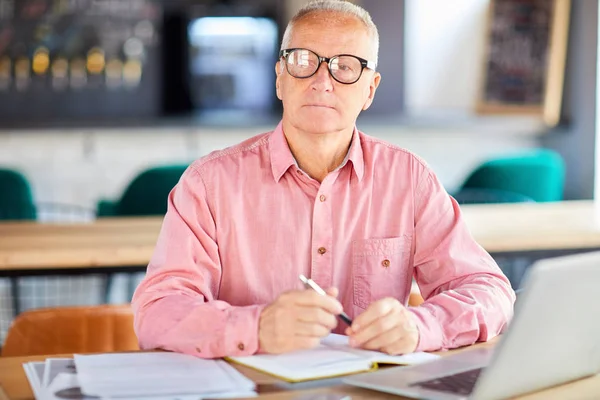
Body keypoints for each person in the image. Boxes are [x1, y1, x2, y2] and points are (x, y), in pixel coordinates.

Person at [132, 0, 515, 359]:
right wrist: (256, 326)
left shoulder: (409, 180)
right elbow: (158, 311)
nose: (322, 81)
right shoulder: (208, 185)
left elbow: (489, 290)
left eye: (345, 66)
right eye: (303, 61)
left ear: (370, 89)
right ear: (280, 77)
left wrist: (420, 327)